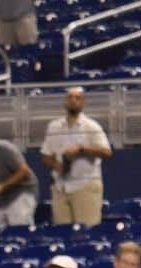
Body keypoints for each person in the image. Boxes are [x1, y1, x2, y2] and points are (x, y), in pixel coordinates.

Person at [40, 86, 112, 228]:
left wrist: (81, 149)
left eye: (77, 98)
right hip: (60, 187)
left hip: (85, 185)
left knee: (87, 230)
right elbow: (46, 155)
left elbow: (106, 152)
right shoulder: (54, 127)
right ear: (65, 101)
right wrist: (56, 166)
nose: (73, 100)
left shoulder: (91, 126)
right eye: (69, 97)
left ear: (83, 102)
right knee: (62, 231)